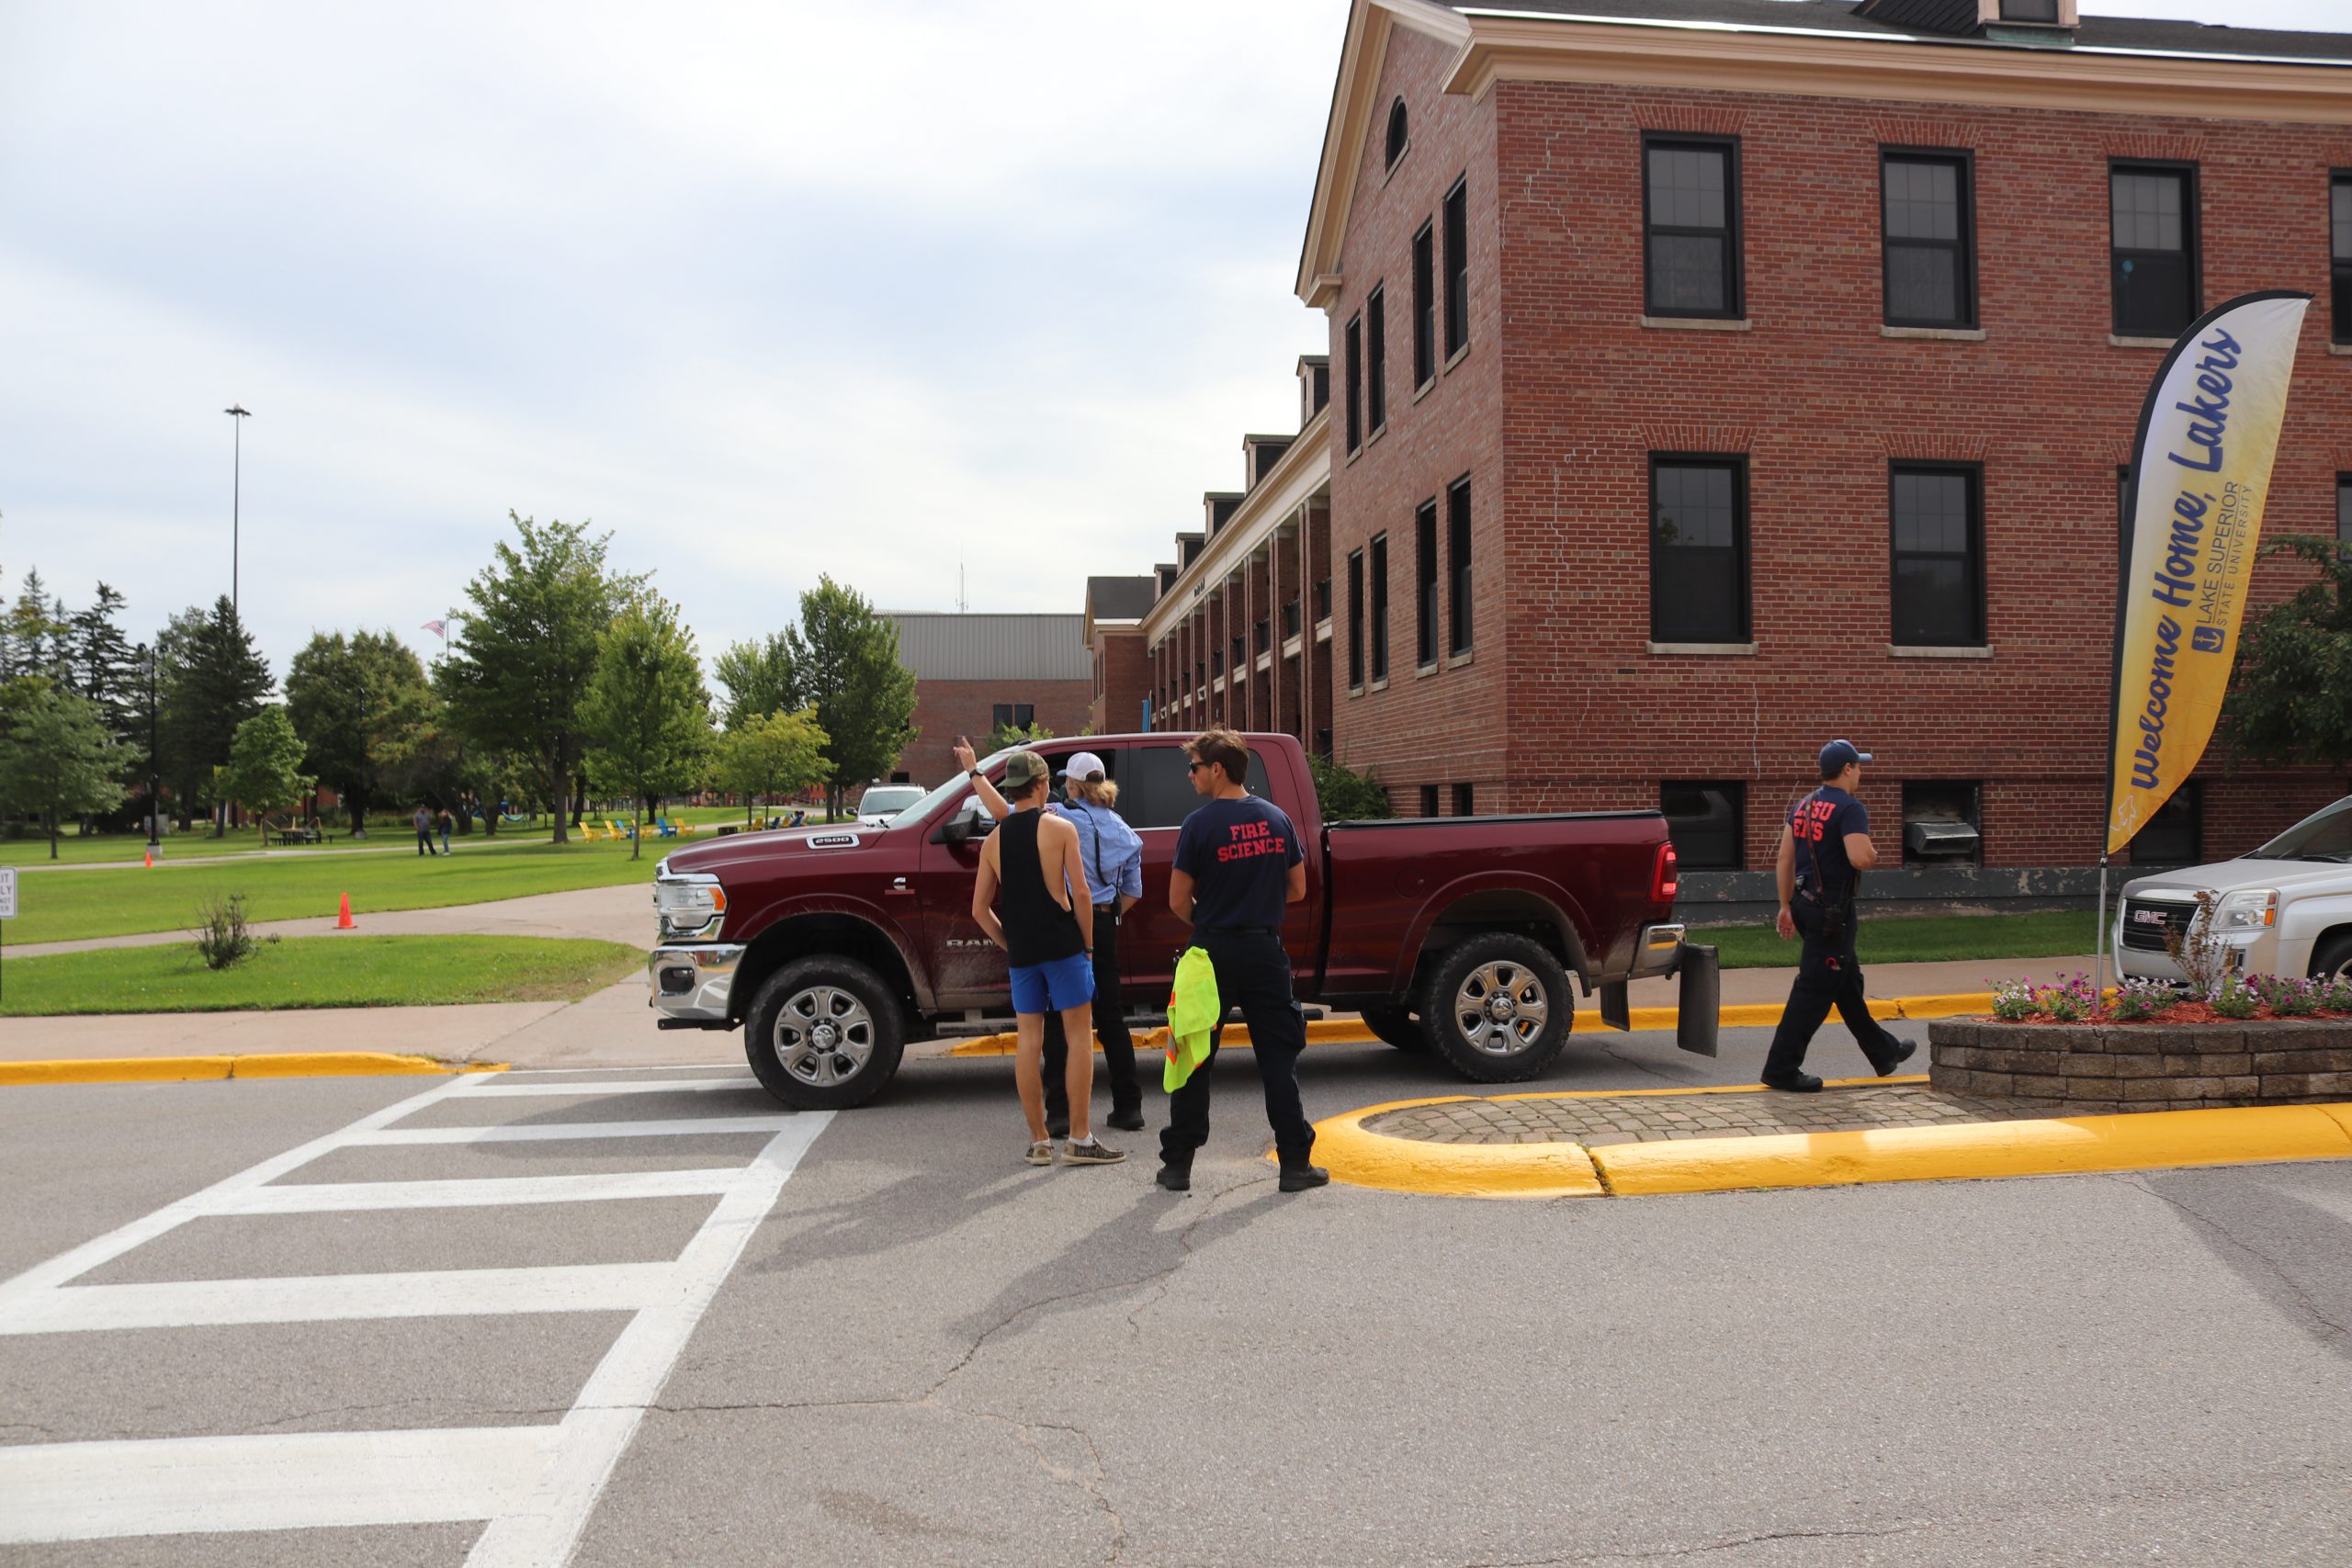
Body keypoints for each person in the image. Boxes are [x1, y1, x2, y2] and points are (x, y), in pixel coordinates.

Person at [1159, 728, 1326, 1194]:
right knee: (1278, 1059)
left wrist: (1212, 917)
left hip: (1210, 954)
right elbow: (1298, 889)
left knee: (1195, 1057)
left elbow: (1177, 900)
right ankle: (1295, 1164)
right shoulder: (1277, 818)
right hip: (1264, 952)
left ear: (1217, 769)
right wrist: (1256, 905)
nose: (1190, 775)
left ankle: (1178, 1166)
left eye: (1194, 767)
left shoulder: (1198, 825)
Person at [955, 738, 1148, 1134]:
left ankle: (1058, 1115)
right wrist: (1105, 921)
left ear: (1071, 785)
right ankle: (1129, 1107)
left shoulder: (1058, 816)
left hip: (1065, 924)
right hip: (1103, 923)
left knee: (1060, 1024)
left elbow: (1004, 813)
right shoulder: (1126, 832)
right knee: (1111, 1017)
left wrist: (974, 771)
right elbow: (1133, 892)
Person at [1761, 739, 1917, 1092]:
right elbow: (1860, 858)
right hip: (1832, 912)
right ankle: (1780, 1068)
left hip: (1804, 903)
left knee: (1846, 982)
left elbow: (1785, 859)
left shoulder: (1803, 805)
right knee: (1813, 989)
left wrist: (1785, 906)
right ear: (1847, 769)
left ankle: (1884, 1052)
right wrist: (1873, 852)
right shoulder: (1850, 808)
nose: (1860, 772)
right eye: (1858, 766)